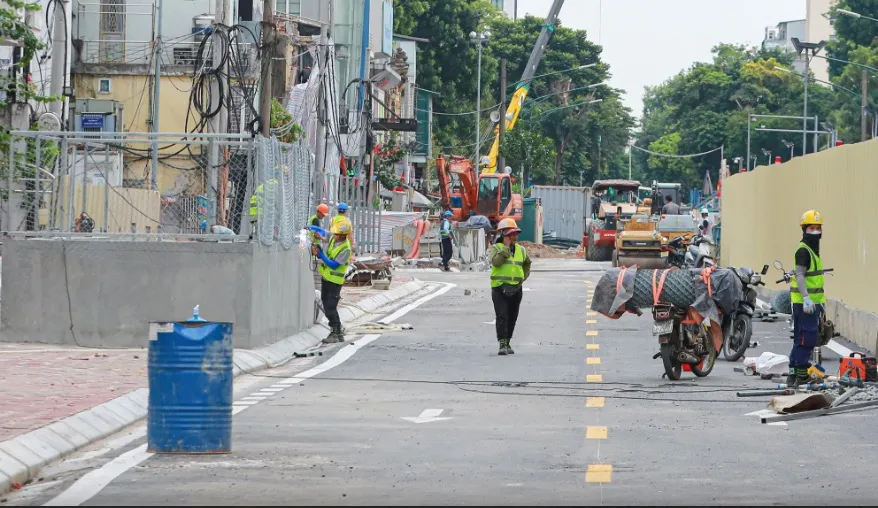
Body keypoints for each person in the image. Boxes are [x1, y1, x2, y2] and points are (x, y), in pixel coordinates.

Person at [787, 210, 826, 387]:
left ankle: (793, 374)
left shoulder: (811, 250)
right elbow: (801, 276)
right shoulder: (804, 250)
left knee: (800, 338)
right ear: (804, 229)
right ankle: (801, 374)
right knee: (807, 338)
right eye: (812, 228)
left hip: (811, 302)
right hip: (805, 303)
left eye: (818, 228)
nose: (816, 231)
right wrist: (806, 298)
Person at [489, 218, 532, 356]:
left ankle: (508, 342)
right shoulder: (496, 249)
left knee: (513, 316)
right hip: (499, 288)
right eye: (510, 234)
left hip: (516, 288)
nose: (514, 237)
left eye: (515, 234)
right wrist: (505, 249)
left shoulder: (521, 250)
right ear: (503, 235)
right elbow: (496, 262)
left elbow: (527, 263)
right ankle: (502, 343)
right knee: (502, 315)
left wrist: (523, 277)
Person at [313, 219, 353, 344]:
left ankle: (336, 332)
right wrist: (313, 230)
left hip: (335, 281)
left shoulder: (346, 249)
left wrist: (320, 255)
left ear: (342, 235)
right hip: (326, 278)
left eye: (336, 234)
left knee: (330, 307)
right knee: (325, 304)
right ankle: (337, 332)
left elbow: (334, 265)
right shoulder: (333, 239)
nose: (334, 235)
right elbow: (324, 233)